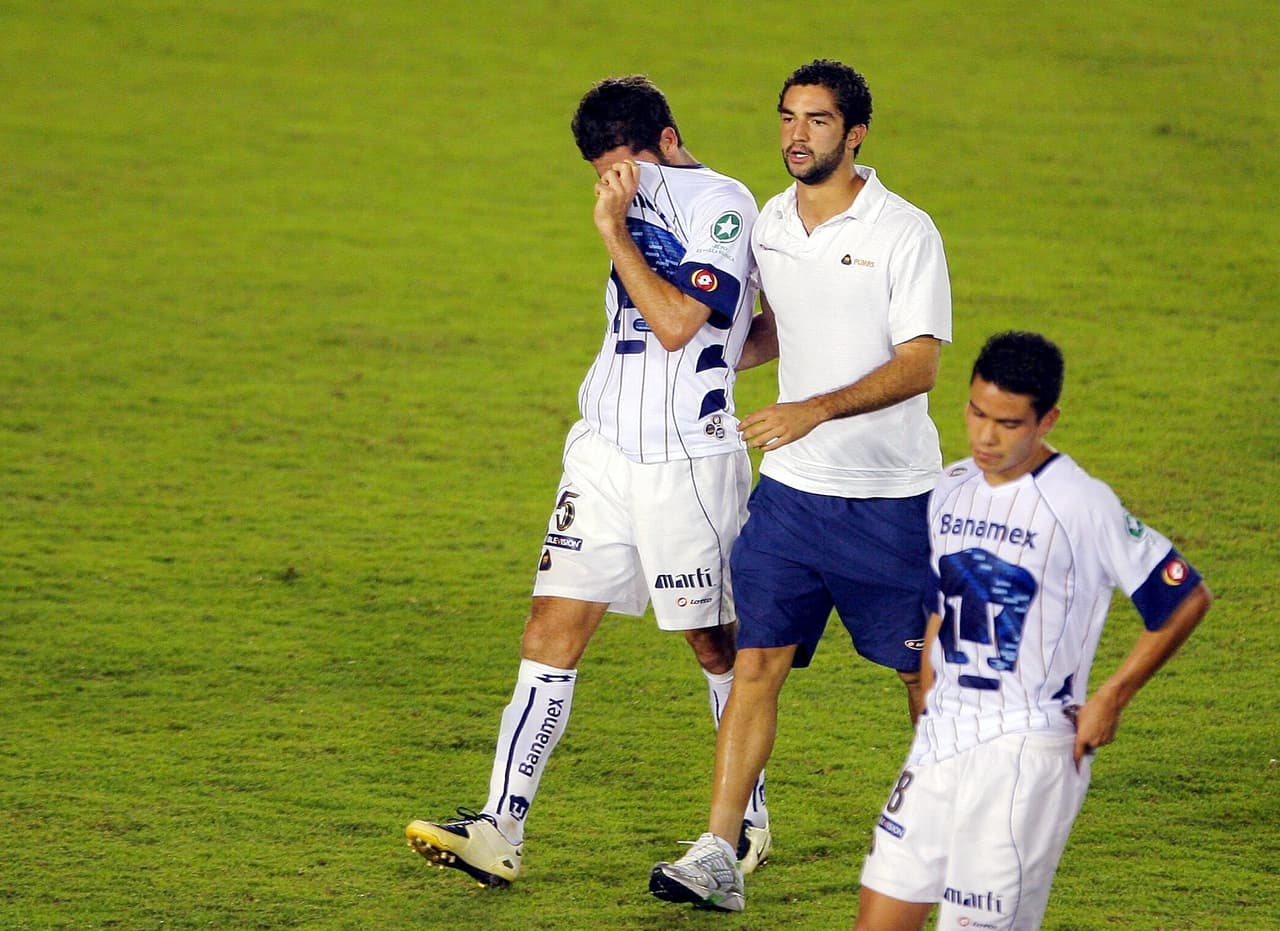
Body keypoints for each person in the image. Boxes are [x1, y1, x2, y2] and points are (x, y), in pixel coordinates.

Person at [404, 75, 770, 888]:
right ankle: (500, 825)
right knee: (550, 630)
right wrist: (731, 335)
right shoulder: (630, 195)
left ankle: (742, 823)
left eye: (626, 168)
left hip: (688, 463)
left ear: (667, 141)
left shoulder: (722, 203)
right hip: (602, 451)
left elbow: (679, 325)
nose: (617, 187)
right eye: (603, 174)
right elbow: (734, 327)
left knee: (712, 641)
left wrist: (614, 233)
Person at [650, 59, 952, 912]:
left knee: (920, 676)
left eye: (816, 121)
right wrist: (719, 360)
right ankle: (718, 848)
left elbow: (920, 361)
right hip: (789, 495)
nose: (796, 135)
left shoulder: (904, 230)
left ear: (854, 134)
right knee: (757, 663)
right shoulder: (772, 223)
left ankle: (947, 828)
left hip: (890, 499)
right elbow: (779, 324)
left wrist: (816, 406)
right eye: (787, 117)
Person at [853, 330, 1212, 930]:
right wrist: (927, 691)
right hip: (942, 739)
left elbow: (1183, 597)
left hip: (1025, 748)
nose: (986, 436)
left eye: (1009, 423)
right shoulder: (951, 486)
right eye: (976, 413)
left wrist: (1111, 697)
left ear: (1047, 420)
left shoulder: (1080, 504)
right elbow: (943, 597)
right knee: (879, 920)